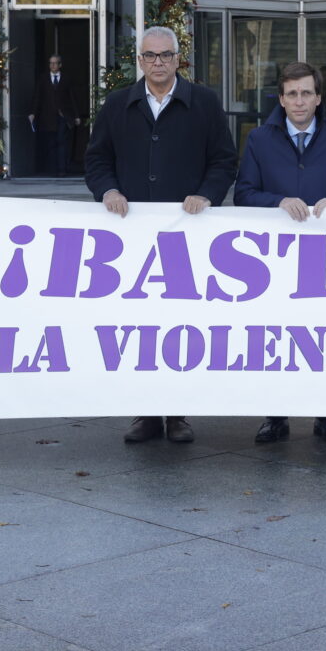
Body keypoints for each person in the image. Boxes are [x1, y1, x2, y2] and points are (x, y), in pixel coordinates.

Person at [85, 25, 238, 445]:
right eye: (150, 56)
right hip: (130, 238)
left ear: (177, 58)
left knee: (182, 325)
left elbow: (224, 161)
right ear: (140, 60)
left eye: (165, 55)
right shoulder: (118, 104)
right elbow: (97, 160)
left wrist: (207, 195)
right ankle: (146, 413)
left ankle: (178, 414)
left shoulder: (203, 103)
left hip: (187, 235)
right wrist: (109, 190)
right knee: (139, 325)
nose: (158, 63)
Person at [234, 61, 326, 445]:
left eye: (306, 93)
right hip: (275, 258)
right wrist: (278, 201)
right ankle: (275, 415)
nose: (299, 101)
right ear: (281, 99)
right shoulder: (260, 139)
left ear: (319, 98)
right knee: (276, 332)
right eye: (291, 94)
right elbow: (244, 194)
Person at [28, 54, 81, 176]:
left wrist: (76, 115)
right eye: (50, 63)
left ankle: (62, 170)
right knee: (51, 143)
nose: (52, 65)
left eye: (55, 63)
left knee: (62, 143)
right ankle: (52, 170)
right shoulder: (43, 78)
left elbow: (72, 98)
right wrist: (33, 113)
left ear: (60, 65)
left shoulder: (66, 78)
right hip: (47, 117)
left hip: (62, 116)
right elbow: (37, 97)